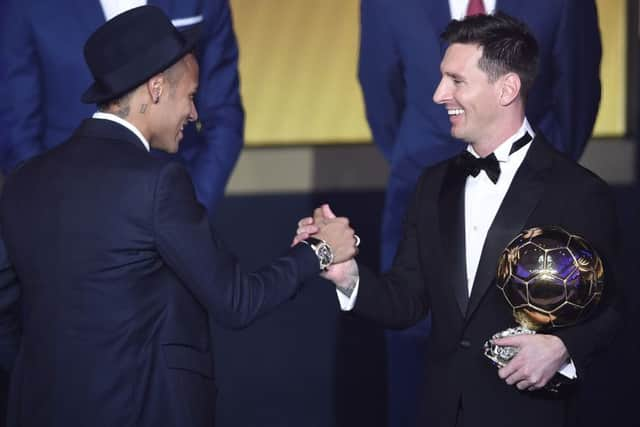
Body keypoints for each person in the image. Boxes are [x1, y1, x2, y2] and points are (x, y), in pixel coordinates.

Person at [0, 7, 358, 426]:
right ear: (155, 89)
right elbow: (236, 301)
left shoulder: (25, 182)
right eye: (190, 96)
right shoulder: (158, 182)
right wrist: (319, 251)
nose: (195, 113)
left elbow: (5, 312)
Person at [299, 12, 620, 427]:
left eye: (456, 81)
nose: (437, 94)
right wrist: (348, 276)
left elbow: (613, 308)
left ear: (507, 89)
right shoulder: (433, 186)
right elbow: (407, 301)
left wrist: (562, 347)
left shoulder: (577, 191)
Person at [0, 0, 243, 213]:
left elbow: (224, 116)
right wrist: (57, 223)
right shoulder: (23, 5)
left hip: (175, 209)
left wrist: (190, 213)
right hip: (63, 216)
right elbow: (16, 128)